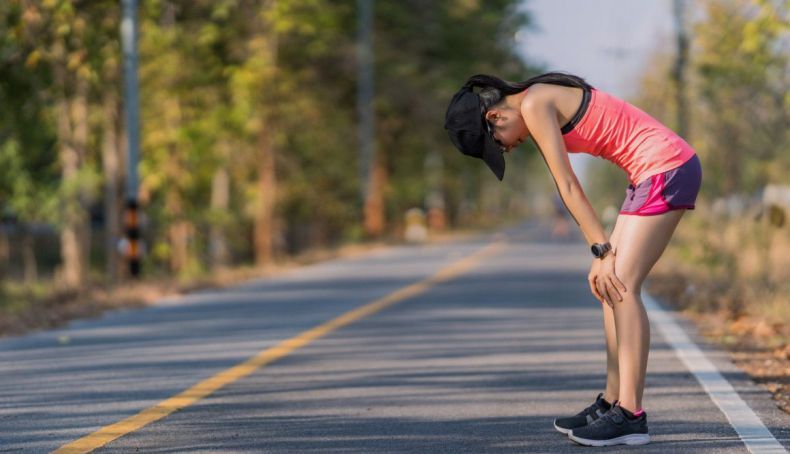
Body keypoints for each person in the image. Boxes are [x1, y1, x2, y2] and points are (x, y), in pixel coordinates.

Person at [444, 72, 702, 447]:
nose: (506, 148)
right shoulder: (535, 99)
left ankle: (631, 415)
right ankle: (612, 402)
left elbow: (566, 184)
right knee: (608, 287)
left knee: (621, 285)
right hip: (650, 172)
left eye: (497, 144)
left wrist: (601, 250)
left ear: (494, 117)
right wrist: (601, 254)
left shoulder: (535, 103)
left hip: (667, 167)